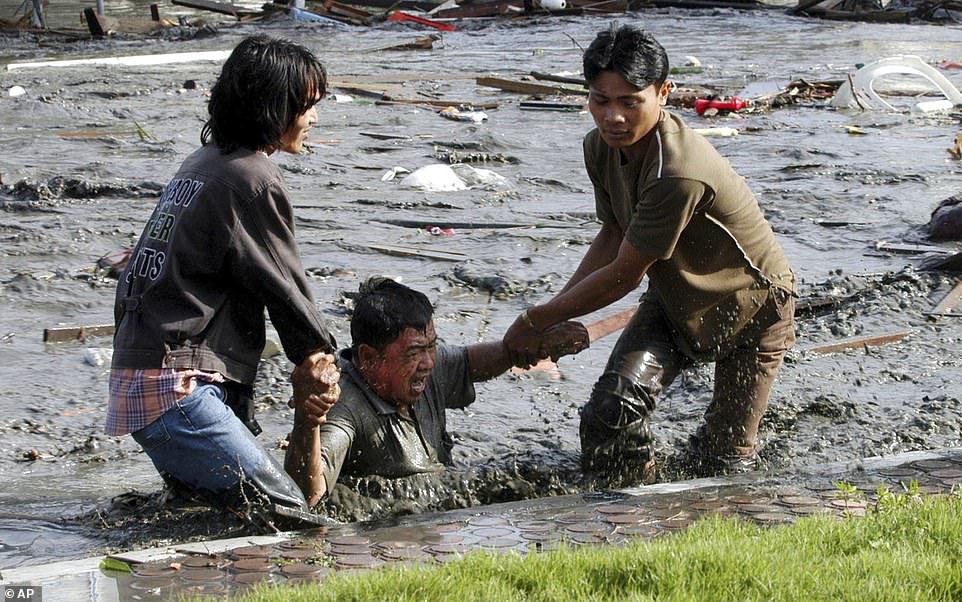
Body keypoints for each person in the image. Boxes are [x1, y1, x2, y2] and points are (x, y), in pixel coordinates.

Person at [503, 25, 797, 480]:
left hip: (753, 306)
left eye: (629, 102)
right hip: (675, 299)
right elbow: (613, 233)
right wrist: (555, 318)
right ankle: (626, 510)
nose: (613, 117)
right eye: (600, 101)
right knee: (610, 412)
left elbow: (625, 275)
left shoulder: (677, 172)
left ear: (664, 93)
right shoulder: (598, 147)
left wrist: (534, 320)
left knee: (725, 461)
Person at [106, 35, 340, 515]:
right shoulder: (252, 178)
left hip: (144, 376)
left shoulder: (203, 163)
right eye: (308, 105)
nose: (314, 117)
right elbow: (284, 285)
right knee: (286, 515)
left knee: (210, 516)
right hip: (176, 388)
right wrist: (318, 356)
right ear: (275, 107)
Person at [283, 277, 589, 503]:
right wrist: (307, 423)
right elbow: (306, 497)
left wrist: (528, 348)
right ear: (368, 357)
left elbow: (471, 364)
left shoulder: (429, 366)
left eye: (432, 346)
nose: (429, 362)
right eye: (415, 352)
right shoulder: (344, 405)